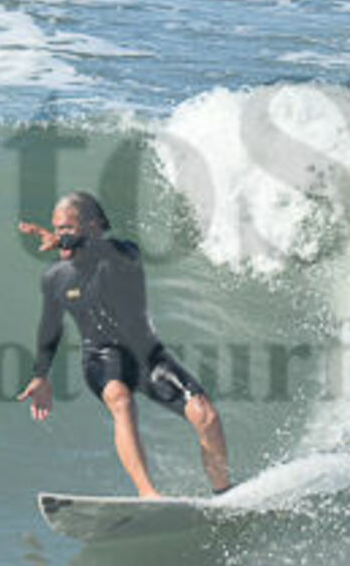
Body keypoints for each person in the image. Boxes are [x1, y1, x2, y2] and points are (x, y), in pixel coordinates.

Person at [16, 191, 232, 498]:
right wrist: (40, 375)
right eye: (57, 228)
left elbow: (104, 251)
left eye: (67, 228)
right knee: (120, 399)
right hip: (101, 359)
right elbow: (50, 326)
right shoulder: (55, 277)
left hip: (148, 358)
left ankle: (223, 492)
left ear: (92, 227)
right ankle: (148, 494)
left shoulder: (124, 253)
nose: (59, 235)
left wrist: (66, 241)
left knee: (205, 414)